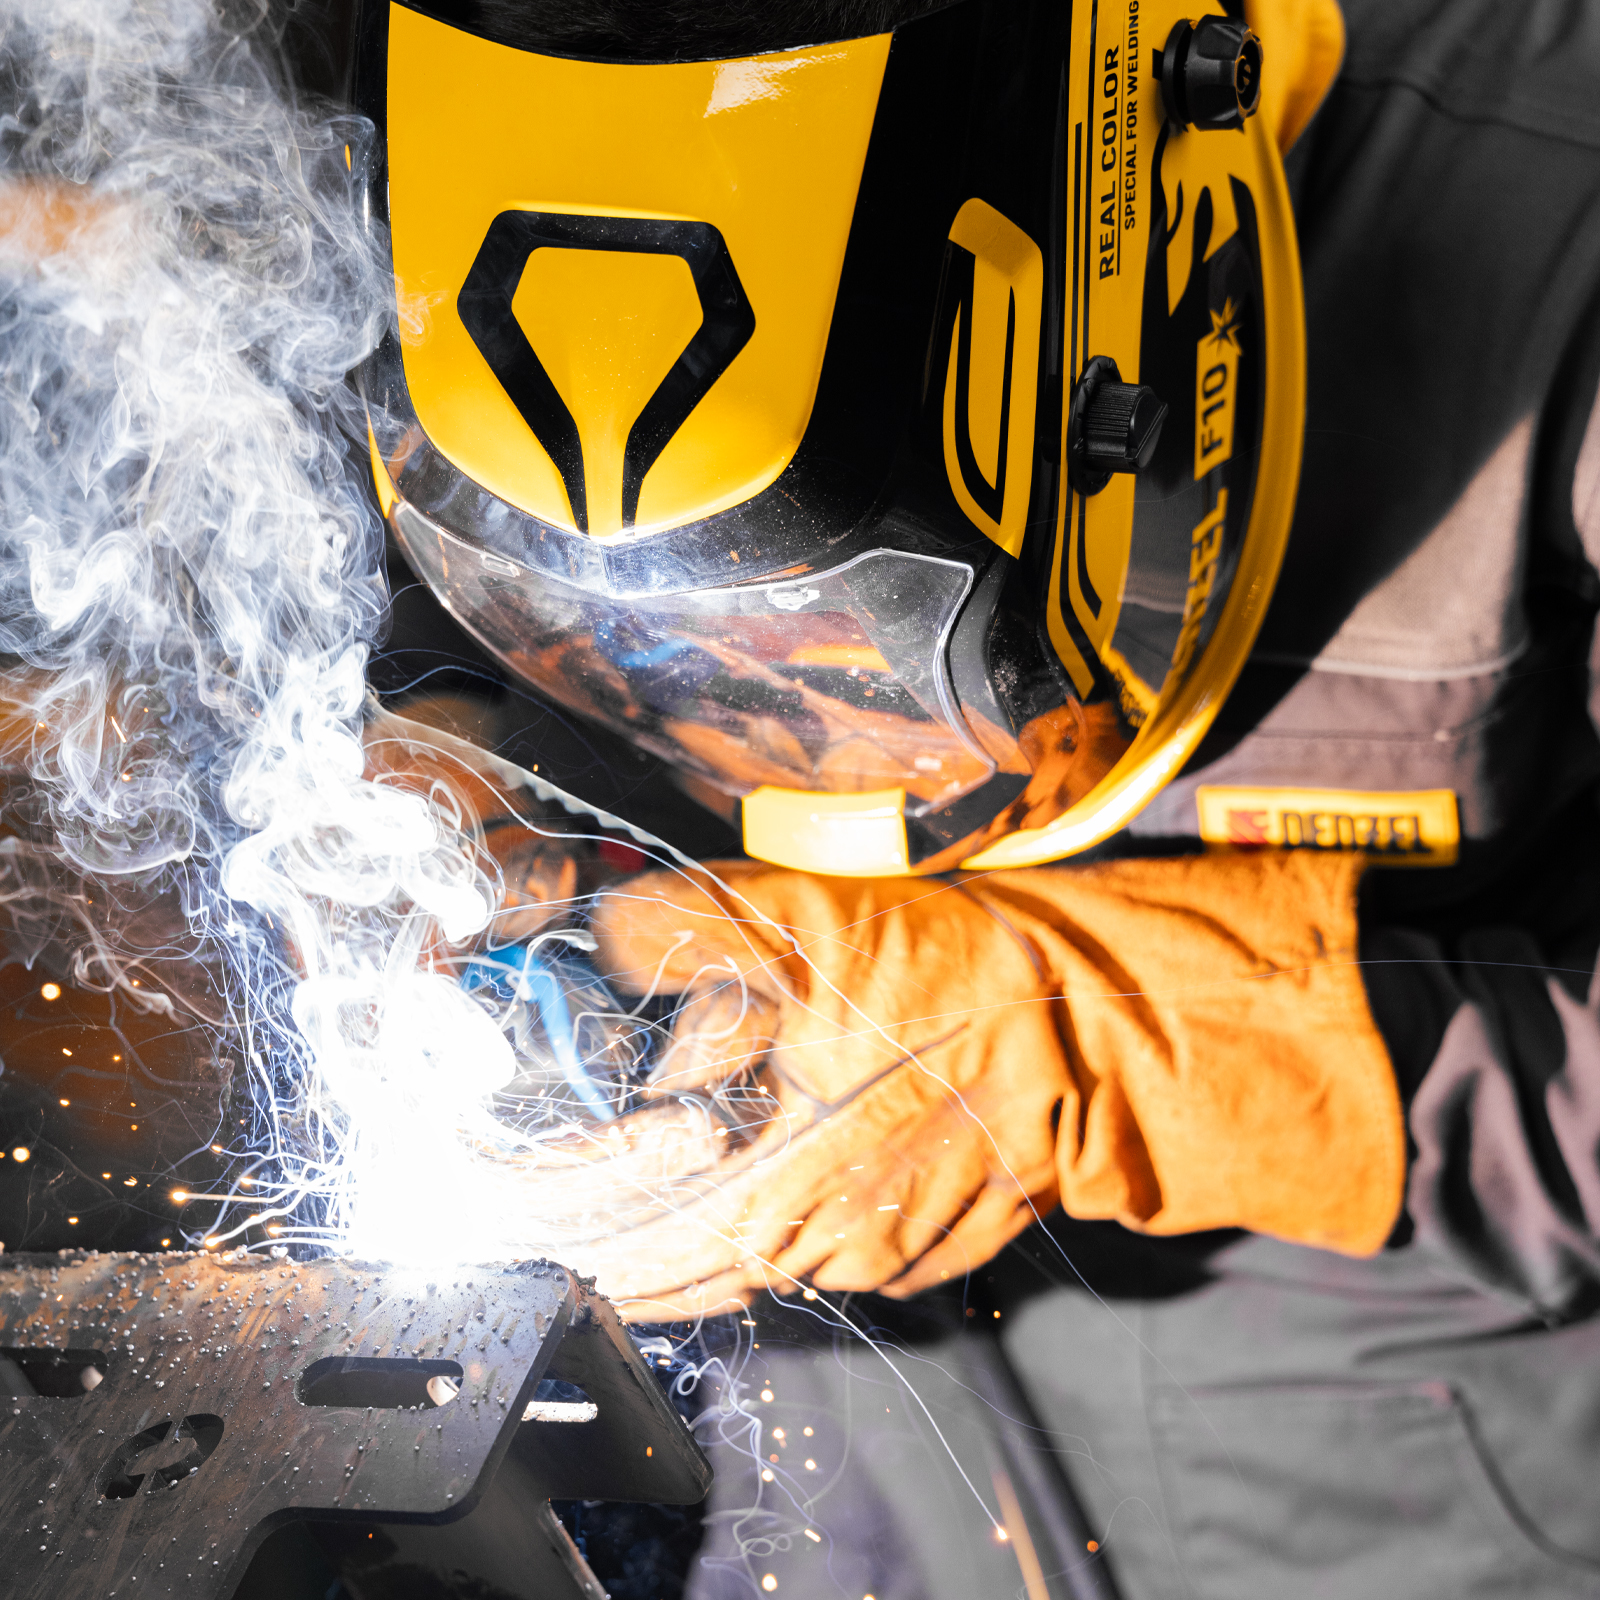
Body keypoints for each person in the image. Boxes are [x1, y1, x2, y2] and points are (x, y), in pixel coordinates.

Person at [349, 0, 1600, 1592]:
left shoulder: (1555, 221)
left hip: (1384, 1507)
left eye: (833, 642)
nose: (794, 733)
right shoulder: (466, 151)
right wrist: (454, 756)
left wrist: (1074, 1050)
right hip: (853, 1506)